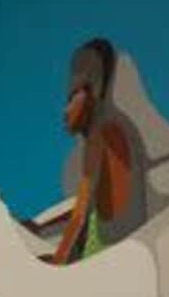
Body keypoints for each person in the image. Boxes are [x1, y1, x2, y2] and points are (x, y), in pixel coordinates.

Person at [47, 37, 140, 265]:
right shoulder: (115, 129)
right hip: (119, 245)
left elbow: (80, 215)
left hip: (106, 252)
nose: (65, 112)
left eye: (71, 98)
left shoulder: (98, 137)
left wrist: (56, 265)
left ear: (92, 93)